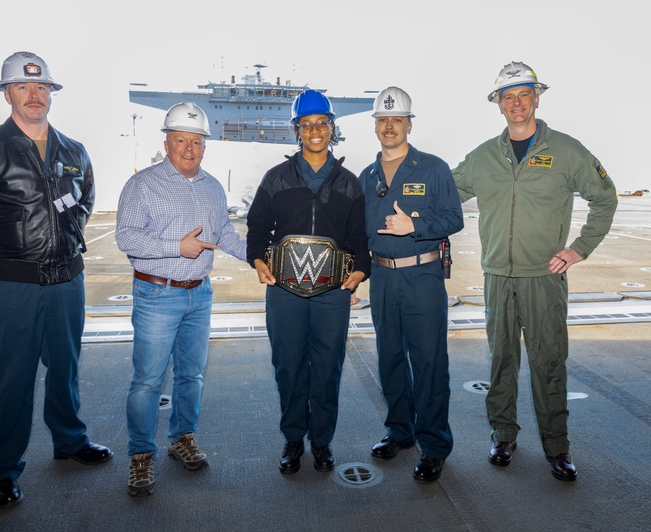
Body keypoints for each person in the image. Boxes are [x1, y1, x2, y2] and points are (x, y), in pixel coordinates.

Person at [0, 51, 112, 510]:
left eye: (41, 88)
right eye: (23, 87)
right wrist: (6, 252)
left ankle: (70, 440)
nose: (34, 95)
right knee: (9, 379)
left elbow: (83, 203)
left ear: (51, 93)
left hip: (67, 281)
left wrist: (63, 243)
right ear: (7, 94)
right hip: (14, 286)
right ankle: (0, 470)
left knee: (66, 369)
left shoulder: (74, 151)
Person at [452, 62, 618, 481]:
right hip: (497, 277)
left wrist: (579, 249)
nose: (517, 103)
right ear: (499, 105)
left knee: (548, 362)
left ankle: (557, 447)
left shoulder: (566, 150)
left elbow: (605, 197)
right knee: (500, 361)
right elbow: (445, 191)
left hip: (543, 278)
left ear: (537, 98)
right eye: (508, 96)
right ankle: (503, 436)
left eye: (524, 94)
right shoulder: (483, 156)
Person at [116, 101, 247, 497]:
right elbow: (127, 237)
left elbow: (224, 233)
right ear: (167, 142)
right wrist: (178, 247)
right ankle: (141, 456)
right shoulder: (142, 184)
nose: (189, 149)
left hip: (199, 295)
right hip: (157, 293)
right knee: (148, 381)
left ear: (204, 146)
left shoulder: (211, 186)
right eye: (180, 141)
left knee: (192, 376)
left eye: (196, 142)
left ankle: (182, 438)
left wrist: (261, 258)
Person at [246, 90, 370, 475]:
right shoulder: (276, 179)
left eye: (321, 124)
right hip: (284, 291)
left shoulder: (349, 183)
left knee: (328, 366)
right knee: (288, 365)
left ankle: (322, 441)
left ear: (332, 129)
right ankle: (293, 438)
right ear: (296, 131)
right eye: (306, 124)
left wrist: (361, 270)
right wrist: (257, 260)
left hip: (332, 293)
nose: (314, 131)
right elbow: (256, 227)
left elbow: (360, 238)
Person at [358, 87, 464, 484]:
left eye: (396, 120)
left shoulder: (433, 168)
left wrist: (415, 226)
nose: (389, 127)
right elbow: (358, 233)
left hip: (422, 276)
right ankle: (399, 431)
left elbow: (454, 218)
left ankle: (434, 445)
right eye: (383, 120)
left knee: (429, 362)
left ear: (409, 124)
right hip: (382, 276)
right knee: (389, 358)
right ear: (376, 126)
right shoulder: (365, 177)